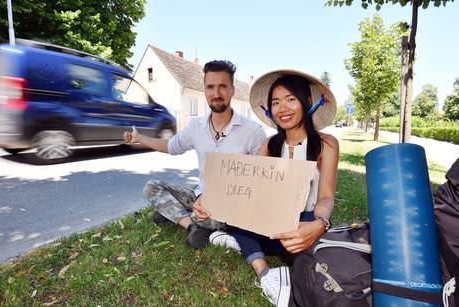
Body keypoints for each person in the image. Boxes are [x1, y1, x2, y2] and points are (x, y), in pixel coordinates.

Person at [199, 69, 339, 306]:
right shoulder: (269, 144)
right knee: (237, 219)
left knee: (314, 257)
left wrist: (319, 224)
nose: (282, 108)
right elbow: (250, 189)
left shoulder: (326, 144)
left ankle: (245, 244)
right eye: (276, 102)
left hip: (304, 222)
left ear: (306, 103)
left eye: (290, 99)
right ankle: (265, 272)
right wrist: (208, 199)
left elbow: (325, 197)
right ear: (270, 109)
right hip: (271, 221)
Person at [124, 60, 267, 249]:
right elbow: (171, 146)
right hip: (198, 195)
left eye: (223, 86)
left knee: (218, 219)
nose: (216, 94)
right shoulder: (195, 126)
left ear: (233, 90)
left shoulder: (253, 131)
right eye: (210, 87)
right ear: (205, 90)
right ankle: (190, 225)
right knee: (151, 188)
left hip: (229, 204)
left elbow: (261, 179)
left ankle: (173, 213)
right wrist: (139, 138)